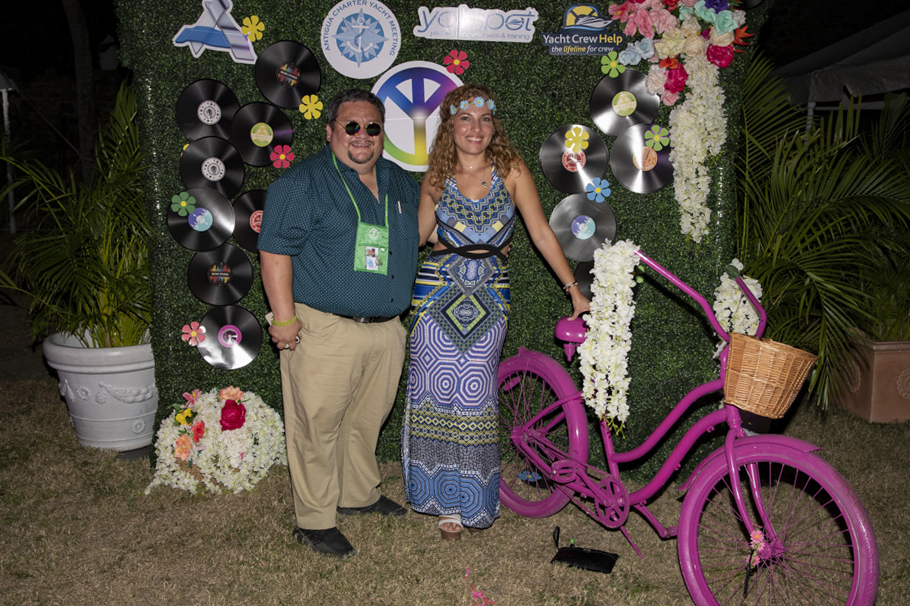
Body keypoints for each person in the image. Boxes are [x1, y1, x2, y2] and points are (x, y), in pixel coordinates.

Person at [401, 84, 590, 541]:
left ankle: (471, 498)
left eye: (484, 119)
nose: (476, 128)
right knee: (432, 394)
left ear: (493, 127)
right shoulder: (436, 176)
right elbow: (417, 238)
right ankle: (441, 499)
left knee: (474, 395)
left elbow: (540, 232)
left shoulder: (511, 170)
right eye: (465, 119)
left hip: (490, 296)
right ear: (450, 126)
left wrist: (574, 290)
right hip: (435, 295)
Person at [258, 89, 420, 558]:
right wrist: (284, 319)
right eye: (351, 126)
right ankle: (314, 520)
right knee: (317, 427)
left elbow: (422, 231)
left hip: (386, 327)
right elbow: (274, 250)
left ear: (382, 133)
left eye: (371, 127)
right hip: (324, 327)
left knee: (366, 421)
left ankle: (357, 495)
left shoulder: (399, 180)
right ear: (330, 131)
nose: (361, 135)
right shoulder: (302, 182)